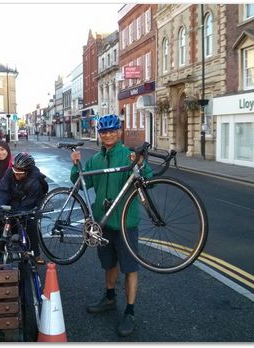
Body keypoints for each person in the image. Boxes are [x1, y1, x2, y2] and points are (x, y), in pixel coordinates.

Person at [69, 114, 152, 337]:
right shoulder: (96, 159)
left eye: (112, 131)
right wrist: (76, 165)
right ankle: (109, 298)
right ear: (100, 135)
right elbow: (83, 182)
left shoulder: (129, 155)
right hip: (103, 222)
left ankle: (130, 312)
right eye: (104, 132)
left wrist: (141, 165)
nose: (108, 135)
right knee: (109, 264)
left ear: (119, 132)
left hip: (126, 224)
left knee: (130, 269)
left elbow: (148, 181)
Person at [0, 152, 47, 264]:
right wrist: (1, 208)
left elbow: (29, 203)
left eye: (20, 173)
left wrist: (16, 214)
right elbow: (2, 191)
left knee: (31, 227)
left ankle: (35, 254)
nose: (16, 175)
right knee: (3, 224)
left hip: (31, 205)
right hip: (13, 202)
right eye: (15, 171)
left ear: (27, 171)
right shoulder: (9, 173)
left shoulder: (35, 181)